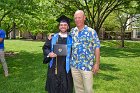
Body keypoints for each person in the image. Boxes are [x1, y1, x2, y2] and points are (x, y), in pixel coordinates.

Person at [70, 10, 100, 93]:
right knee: (78, 89)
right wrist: (53, 35)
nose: (77, 19)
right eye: (75, 18)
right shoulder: (73, 31)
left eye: (79, 17)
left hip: (87, 66)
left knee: (88, 90)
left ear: (84, 18)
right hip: (74, 65)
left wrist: (97, 63)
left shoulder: (91, 32)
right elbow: (63, 35)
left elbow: (97, 47)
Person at [42, 15, 73, 93]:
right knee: (53, 88)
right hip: (54, 67)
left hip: (66, 67)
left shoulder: (72, 38)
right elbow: (45, 47)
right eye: (61, 25)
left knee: (66, 88)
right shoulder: (53, 37)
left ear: (68, 27)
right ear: (59, 27)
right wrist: (49, 54)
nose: (63, 26)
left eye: (65, 25)